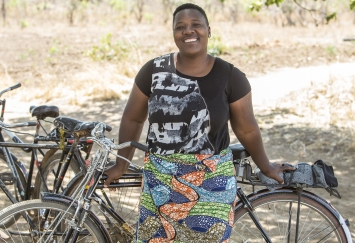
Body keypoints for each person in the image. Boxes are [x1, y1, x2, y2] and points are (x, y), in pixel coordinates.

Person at [104, 3, 294, 242]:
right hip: (160, 184)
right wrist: (121, 165)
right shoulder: (153, 71)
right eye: (180, 27)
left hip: (211, 186)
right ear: (173, 33)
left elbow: (246, 128)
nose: (188, 31)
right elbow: (133, 117)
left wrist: (266, 166)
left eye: (196, 25)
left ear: (208, 30)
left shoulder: (230, 77)